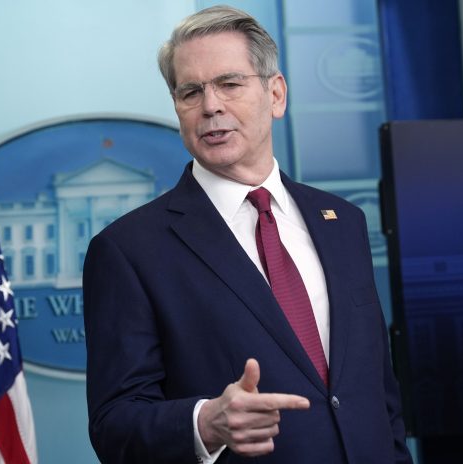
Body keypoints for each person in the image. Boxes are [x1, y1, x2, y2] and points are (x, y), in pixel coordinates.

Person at [83, 5, 413, 464]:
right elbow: (114, 424)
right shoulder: (128, 250)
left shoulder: (343, 221)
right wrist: (205, 423)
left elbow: (379, 390)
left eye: (230, 84)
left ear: (276, 95)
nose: (210, 106)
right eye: (191, 92)